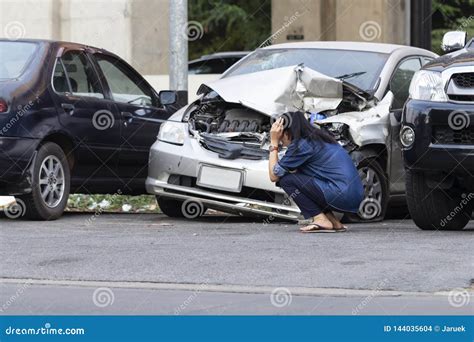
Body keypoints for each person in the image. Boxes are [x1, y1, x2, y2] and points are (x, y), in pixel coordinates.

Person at [268, 111, 364, 233]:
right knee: (302, 175)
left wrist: (274, 142)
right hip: (353, 194)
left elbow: (274, 175)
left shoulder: (301, 145)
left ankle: (320, 219)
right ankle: (333, 221)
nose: (282, 142)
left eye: (281, 137)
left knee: (286, 180)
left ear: (287, 133)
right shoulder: (319, 139)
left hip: (341, 194)